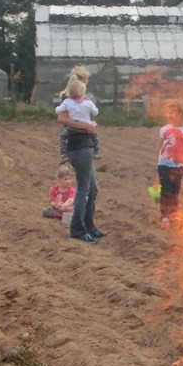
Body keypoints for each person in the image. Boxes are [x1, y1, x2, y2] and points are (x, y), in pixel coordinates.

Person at [56, 77, 105, 243]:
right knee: (84, 190)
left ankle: (89, 226)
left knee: (92, 189)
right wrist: (86, 126)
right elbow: (61, 118)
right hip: (80, 149)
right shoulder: (69, 102)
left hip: (86, 148)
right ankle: (77, 230)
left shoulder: (77, 102)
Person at [156, 100, 183, 228]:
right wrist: (159, 166)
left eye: (173, 113)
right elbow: (160, 148)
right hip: (164, 165)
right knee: (166, 191)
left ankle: (173, 214)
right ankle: (164, 216)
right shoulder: (164, 130)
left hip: (178, 166)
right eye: (168, 113)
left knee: (175, 191)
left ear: (180, 113)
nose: (170, 115)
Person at [58, 66, 100, 163]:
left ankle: (96, 151)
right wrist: (86, 126)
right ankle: (64, 154)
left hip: (81, 140)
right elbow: (62, 118)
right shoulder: (68, 97)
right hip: (79, 141)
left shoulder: (79, 96)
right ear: (84, 79)